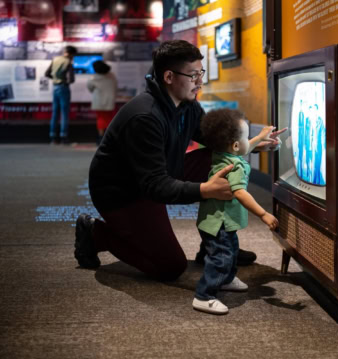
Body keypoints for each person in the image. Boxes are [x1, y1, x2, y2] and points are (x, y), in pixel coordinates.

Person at [74, 40, 283, 281]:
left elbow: (215, 140)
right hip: (124, 193)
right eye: (193, 75)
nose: (200, 82)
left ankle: (216, 246)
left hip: (161, 172)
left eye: (200, 73)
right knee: (169, 266)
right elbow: (154, 186)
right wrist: (205, 190)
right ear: (169, 77)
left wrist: (254, 143)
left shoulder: (188, 105)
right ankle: (95, 233)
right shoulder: (145, 116)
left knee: (227, 164)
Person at [192, 109, 280, 314]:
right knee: (221, 258)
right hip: (219, 223)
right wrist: (263, 214)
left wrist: (259, 138)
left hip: (216, 220)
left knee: (230, 251)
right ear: (235, 145)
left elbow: (244, 148)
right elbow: (240, 193)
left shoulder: (221, 154)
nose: (249, 141)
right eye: (246, 136)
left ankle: (227, 279)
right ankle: (204, 296)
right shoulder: (235, 167)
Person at [45, 45, 77, 144]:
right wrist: (64, 81)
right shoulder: (68, 62)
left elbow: (47, 73)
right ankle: (64, 137)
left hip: (55, 87)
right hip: (63, 87)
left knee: (55, 113)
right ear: (72, 54)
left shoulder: (55, 59)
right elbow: (71, 79)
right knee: (64, 113)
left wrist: (55, 79)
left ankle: (53, 137)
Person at [87, 60, 118, 145]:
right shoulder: (112, 76)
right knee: (110, 119)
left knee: (100, 119)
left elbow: (90, 88)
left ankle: (101, 138)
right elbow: (115, 86)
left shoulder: (93, 78)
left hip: (98, 102)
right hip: (110, 101)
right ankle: (110, 137)